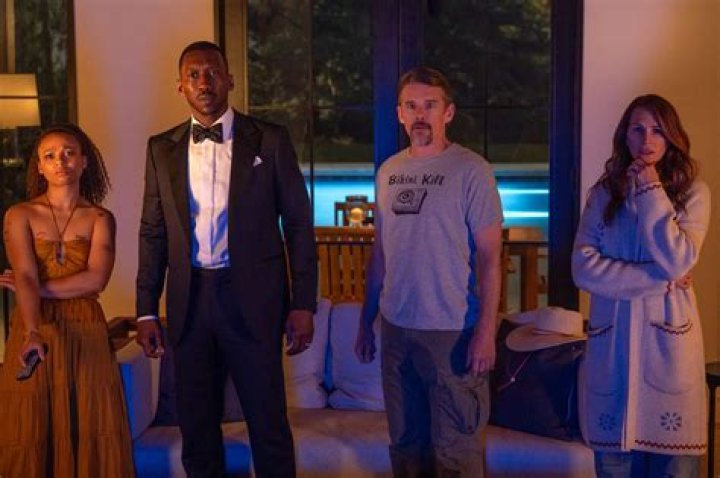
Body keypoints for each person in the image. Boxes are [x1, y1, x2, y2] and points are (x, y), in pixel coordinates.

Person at [135, 41, 317, 477]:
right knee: (197, 429)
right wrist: (145, 310)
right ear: (180, 86)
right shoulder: (161, 148)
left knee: (268, 424)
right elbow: (152, 231)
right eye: (194, 75)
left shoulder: (270, 140)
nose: (204, 82)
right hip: (190, 302)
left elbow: (298, 225)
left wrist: (303, 303)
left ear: (230, 79)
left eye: (212, 72)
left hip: (254, 299)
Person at [355, 66, 503, 476]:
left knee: (456, 453)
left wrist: (486, 332)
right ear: (399, 114)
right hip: (396, 330)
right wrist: (366, 320)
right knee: (406, 448)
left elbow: (491, 257)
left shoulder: (471, 170)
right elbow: (381, 253)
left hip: (452, 331)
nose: (420, 115)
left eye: (430, 105)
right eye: (411, 106)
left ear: (448, 113)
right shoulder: (388, 172)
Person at [572, 94, 710, 477]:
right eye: (637, 129)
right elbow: (582, 268)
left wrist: (651, 191)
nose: (646, 139)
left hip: (669, 350)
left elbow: (679, 258)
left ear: (671, 137)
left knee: (674, 468)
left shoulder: (694, 193)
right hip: (612, 349)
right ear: (625, 135)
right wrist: (659, 278)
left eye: (657, 130)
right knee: (615, 465)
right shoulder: (604, 195)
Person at [0, 124, 135, 477]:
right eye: (50, 156)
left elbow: (96, 279)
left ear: (84, 161)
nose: (60, 161)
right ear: (40, 167)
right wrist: (32, 331)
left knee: (90, 421)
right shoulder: (19, 215)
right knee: (30, 427)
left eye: (68, 153)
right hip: (35, 325)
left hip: (87, 330)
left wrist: (34, 287)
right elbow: (25, 273)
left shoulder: (101, 218)